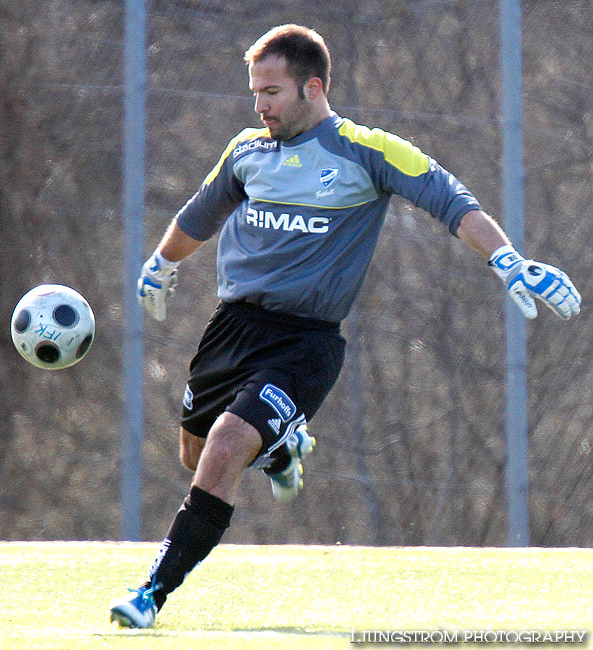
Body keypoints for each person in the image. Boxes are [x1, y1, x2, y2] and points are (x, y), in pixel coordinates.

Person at [109, 24, 581, 628]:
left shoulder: (367, 151)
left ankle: (151, 593)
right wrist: (162, 263)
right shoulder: (247, 151)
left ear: (313, 87)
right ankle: (281, 445)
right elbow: (198, 214)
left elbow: (450, 199)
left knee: (227, 446)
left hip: (305, 343)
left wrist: (508, 261)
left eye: (272, 92)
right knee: (194, 453)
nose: (260, 105)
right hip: (230, 329)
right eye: (255, 92)